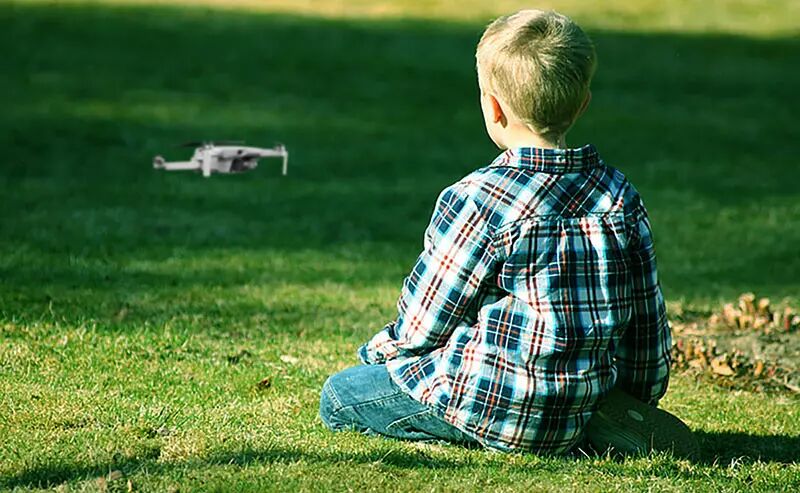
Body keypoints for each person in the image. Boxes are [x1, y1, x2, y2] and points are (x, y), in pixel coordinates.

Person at [319, 9, 697, 457]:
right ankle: (595, 427)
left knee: (340, 394)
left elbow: (428, 319)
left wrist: (384, 353)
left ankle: (488, 433)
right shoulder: (619, 197)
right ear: (582, 104)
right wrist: (636, 399)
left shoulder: (480, 198)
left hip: (493, 402)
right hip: (581, 403)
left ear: (493, 107)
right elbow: (646, 320)